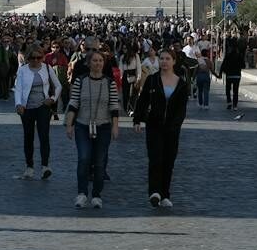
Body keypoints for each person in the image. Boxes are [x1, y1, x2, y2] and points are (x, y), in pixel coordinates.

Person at [133, 48, 189, 209]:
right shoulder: (152, 80)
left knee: (168, 161)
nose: (164, 62)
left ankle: (165, 194)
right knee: (155, 159)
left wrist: (175, 125)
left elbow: (181, 109)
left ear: (174, 61)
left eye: (167, 59)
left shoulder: (181, 84)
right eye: (162, 59)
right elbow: (142, 101)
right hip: (154, 125)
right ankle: (154, 192)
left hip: (172, 129)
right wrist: (137, 119)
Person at [64, 48, 120, 209]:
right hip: (82, 125)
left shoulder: (110, 83)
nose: (98, 63)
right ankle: (82, 193)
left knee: (100, 162)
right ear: (89, 63)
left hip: (103, 126)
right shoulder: (80, 81)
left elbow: (114, 106)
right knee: (84, 158)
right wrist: (69, 124)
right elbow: (73, 103)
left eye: (100, 61)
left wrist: (115, 126)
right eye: (94, 61)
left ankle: (96, 194)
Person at [13, 44, 60, 180]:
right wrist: (18, 104)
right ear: (28, 58)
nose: (35, 60)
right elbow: (18, 88)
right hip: (26, 107)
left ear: (42, 57)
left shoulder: (47, 68)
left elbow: (58, 86)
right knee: (28, 137)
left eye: (39, 58)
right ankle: (29, 167)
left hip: (43, 107)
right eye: (32, 58)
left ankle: (45, 166)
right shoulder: (22, 70)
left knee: (43, 136)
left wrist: (52, 98)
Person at [219, 35, 245, 111]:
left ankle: (229, 102)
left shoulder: (228, 55)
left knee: (228, 90)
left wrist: (220, 73)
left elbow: (223, 65)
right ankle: (235, 105)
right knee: (235, 91)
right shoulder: (239, 55)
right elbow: (243, 65)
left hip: (229, 75)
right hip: (237, 75)